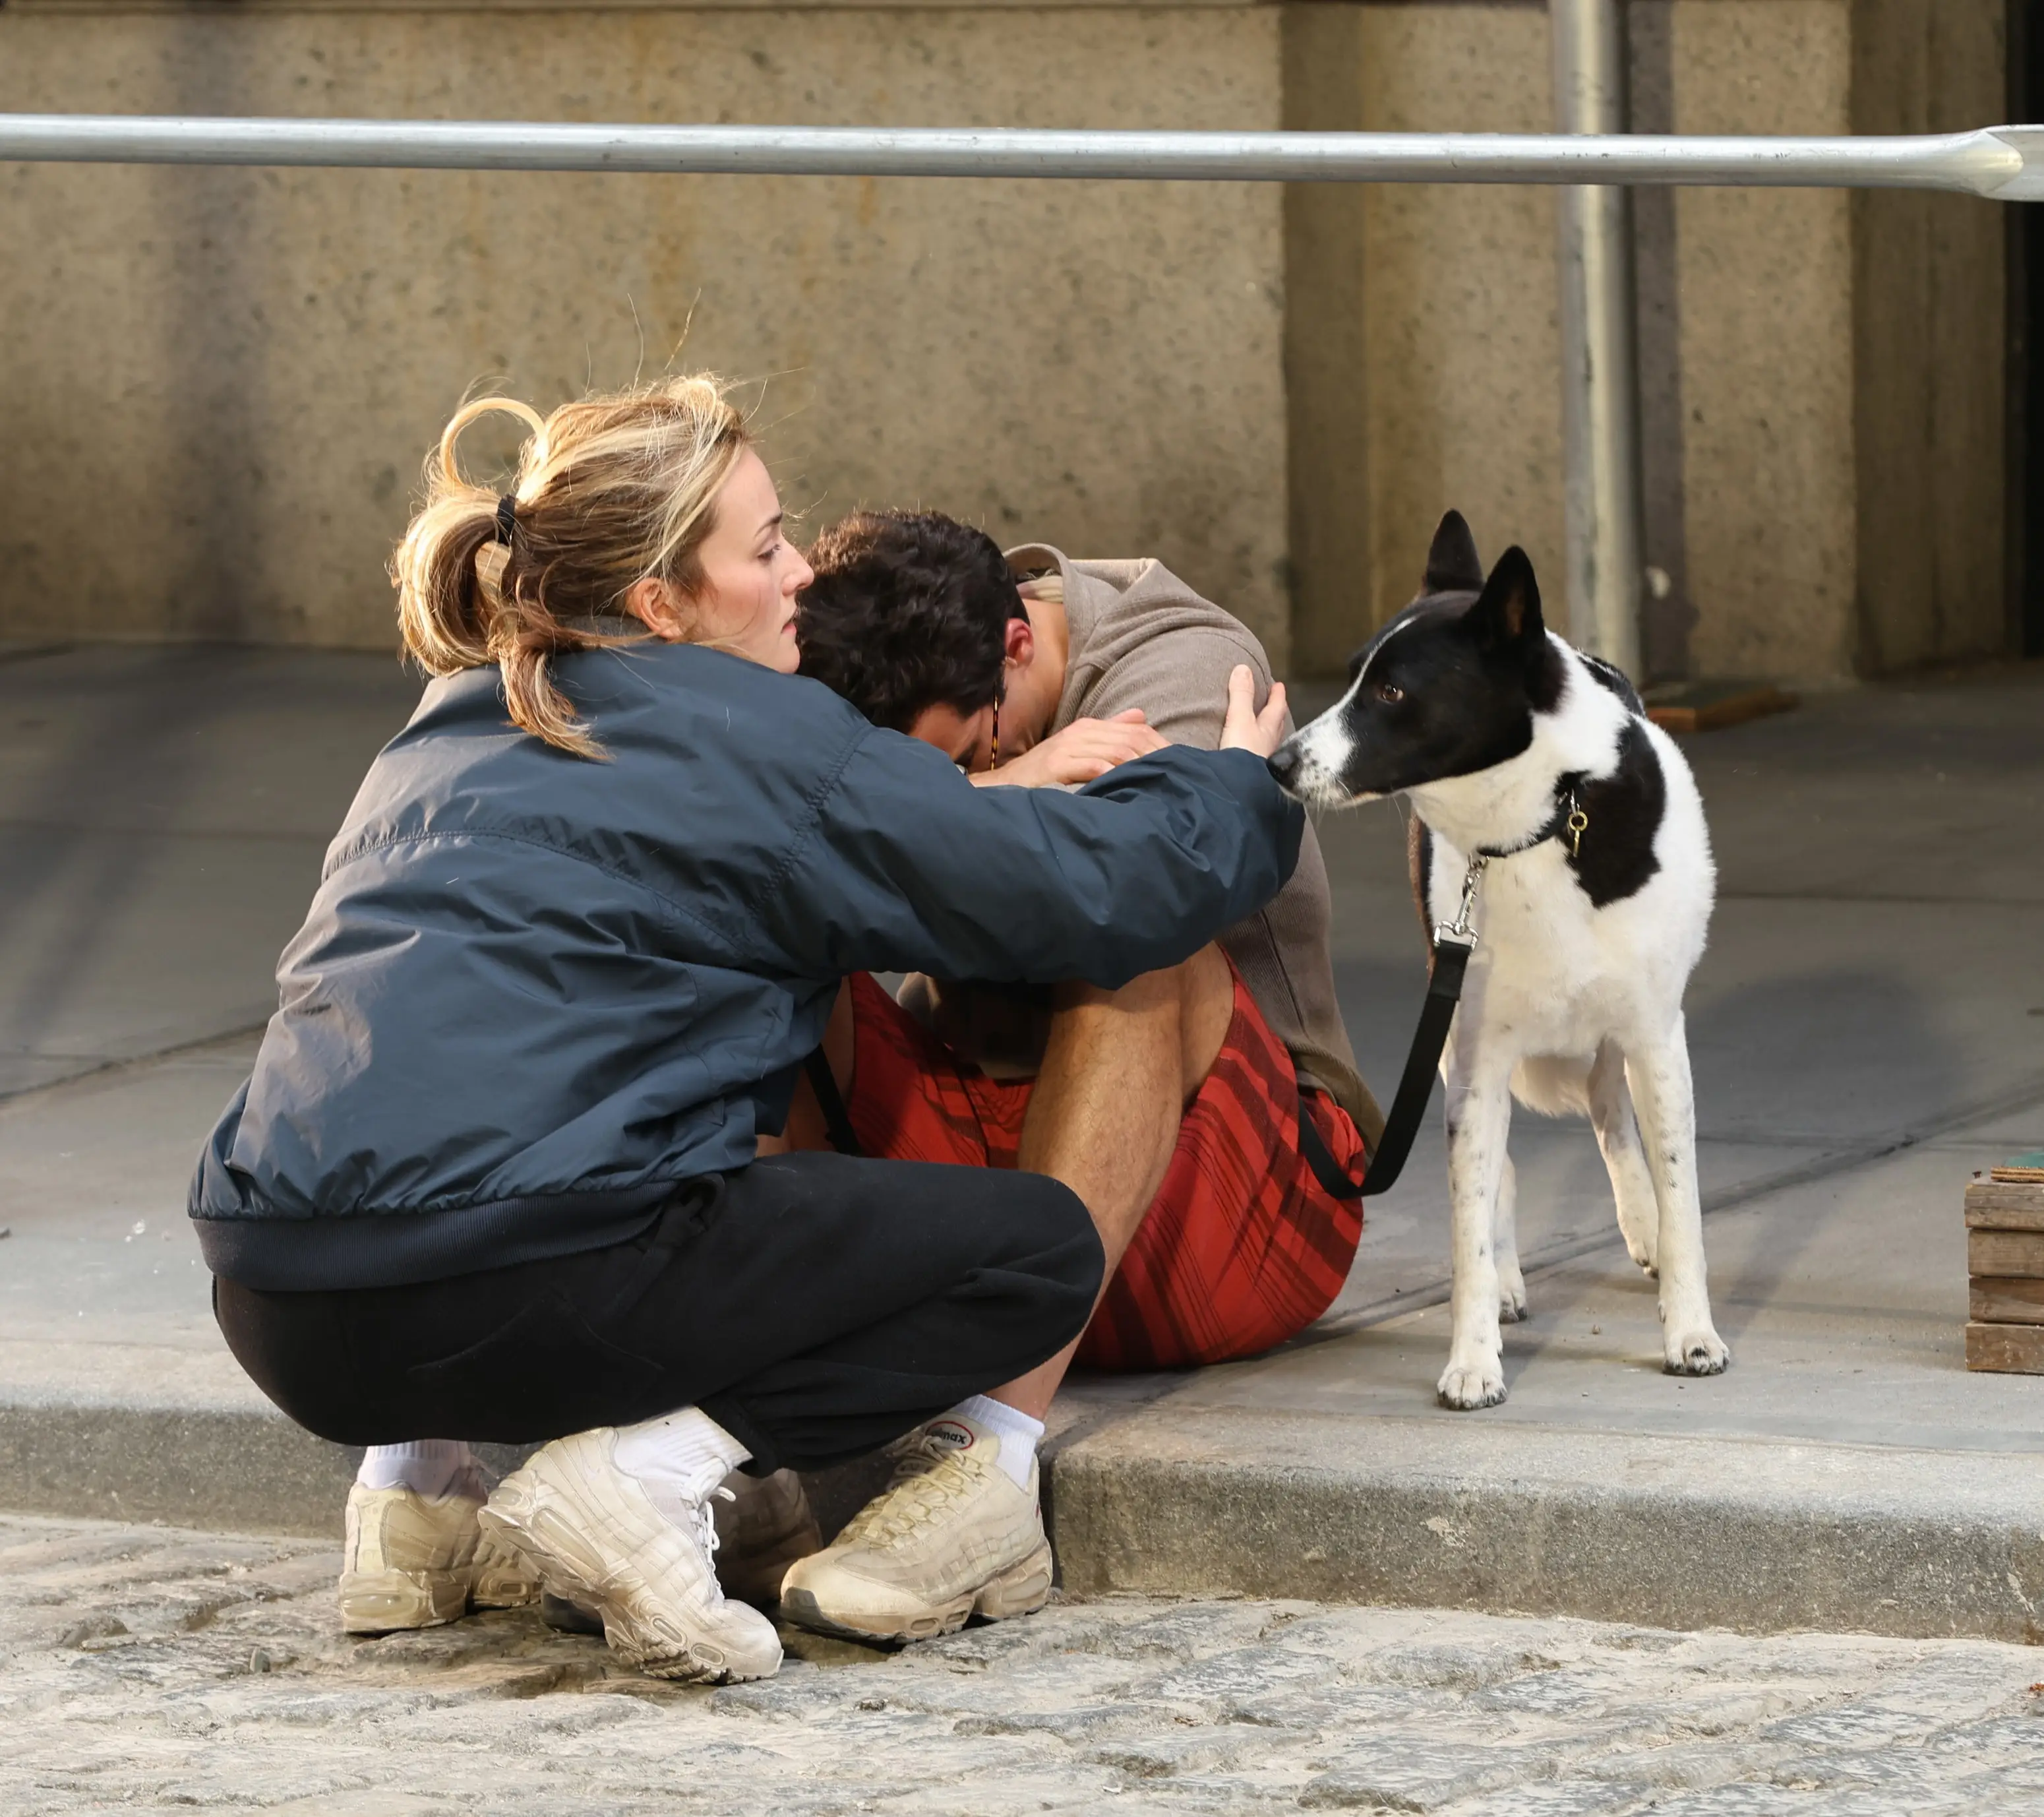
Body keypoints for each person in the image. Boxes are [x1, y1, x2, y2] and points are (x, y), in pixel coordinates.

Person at [190, 377, 1301, 1684]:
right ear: (663, 605)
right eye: (766, 548)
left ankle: (412, 1513)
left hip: (281, 1312)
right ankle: (649, 1477)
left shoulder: (446, 722)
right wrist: (1229, 786)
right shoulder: (765, 737)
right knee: (1029, 1256)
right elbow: (1085, 895)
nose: (798, 583)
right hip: (529, 1280)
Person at [777, 511, 1383, 1642]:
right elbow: (788, 860)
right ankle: (732, 1438)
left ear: (1018, 646)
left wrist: (934, 823)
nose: (971, 773)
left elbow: (1129, 885)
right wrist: (998, 795)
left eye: (969, 752)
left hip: (1233, 1190)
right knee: (764, 947)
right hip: (998, 1163)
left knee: (1142, 930)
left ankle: (989, 1470)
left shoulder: (1187, 666)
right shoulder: (900, 658)